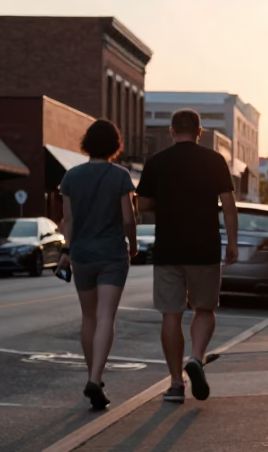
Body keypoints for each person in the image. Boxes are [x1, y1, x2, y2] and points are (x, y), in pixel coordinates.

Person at [136, 109, 238, 403]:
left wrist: (165, 203)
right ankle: (195, 357)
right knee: (204, 309)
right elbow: (229, 205)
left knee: (171, 313)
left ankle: (175, 383)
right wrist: (232, 242)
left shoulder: (157, 162)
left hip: (169, 248)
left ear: (171, 131)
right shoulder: (215, 161)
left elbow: (142, 203)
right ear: (199, 132)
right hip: (204, 247)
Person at [57, 119, 137, 411]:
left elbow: (68, 221)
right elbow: (128, 219)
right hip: (112, 255)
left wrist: (67, 250)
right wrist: (134, 243)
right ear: (115, 145)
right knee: (106, 317)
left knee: (88, 317)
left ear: (87, 143)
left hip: (81, 254)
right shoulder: (120, 176)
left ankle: (94, 378)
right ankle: (95, 377)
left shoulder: (70, 177)